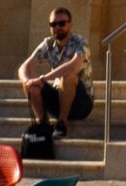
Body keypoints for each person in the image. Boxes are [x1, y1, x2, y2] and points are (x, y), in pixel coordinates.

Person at [17, 7, 91, 137]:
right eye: (53, 24)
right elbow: (24, 67)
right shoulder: (48, 44)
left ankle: (62, 123)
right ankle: (43, 123)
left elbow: (73, 65)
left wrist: (43, 78)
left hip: (81, 103)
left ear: (70, 24)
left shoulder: (80, 42)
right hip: (59, 99)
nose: (57, 27)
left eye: (62, 23)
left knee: (67, 75)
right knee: (31, 84)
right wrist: (27, 82)